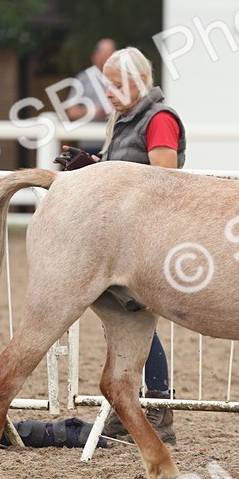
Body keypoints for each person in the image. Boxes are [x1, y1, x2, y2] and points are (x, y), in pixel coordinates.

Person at [54, 46, 187, 446]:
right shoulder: (123, 119)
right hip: (124, 239)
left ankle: (157, 406)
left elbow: (163, 178)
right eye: (106, 85)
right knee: (125, 322)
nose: (107, 93)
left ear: (139, 82)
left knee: (140, 319)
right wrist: (91, 167)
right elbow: (123, 171)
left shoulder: (159, 119)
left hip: (148, 237)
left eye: (115, 85)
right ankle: (133, 408)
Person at [64, 38, 116, 155]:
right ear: (94, 56)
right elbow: (71, 112)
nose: (107, 59)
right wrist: (92, 111)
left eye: (111, 55)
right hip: (91, 144)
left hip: (117, 144)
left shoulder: (123, 79)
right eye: (104, 55)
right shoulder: (83, 79)